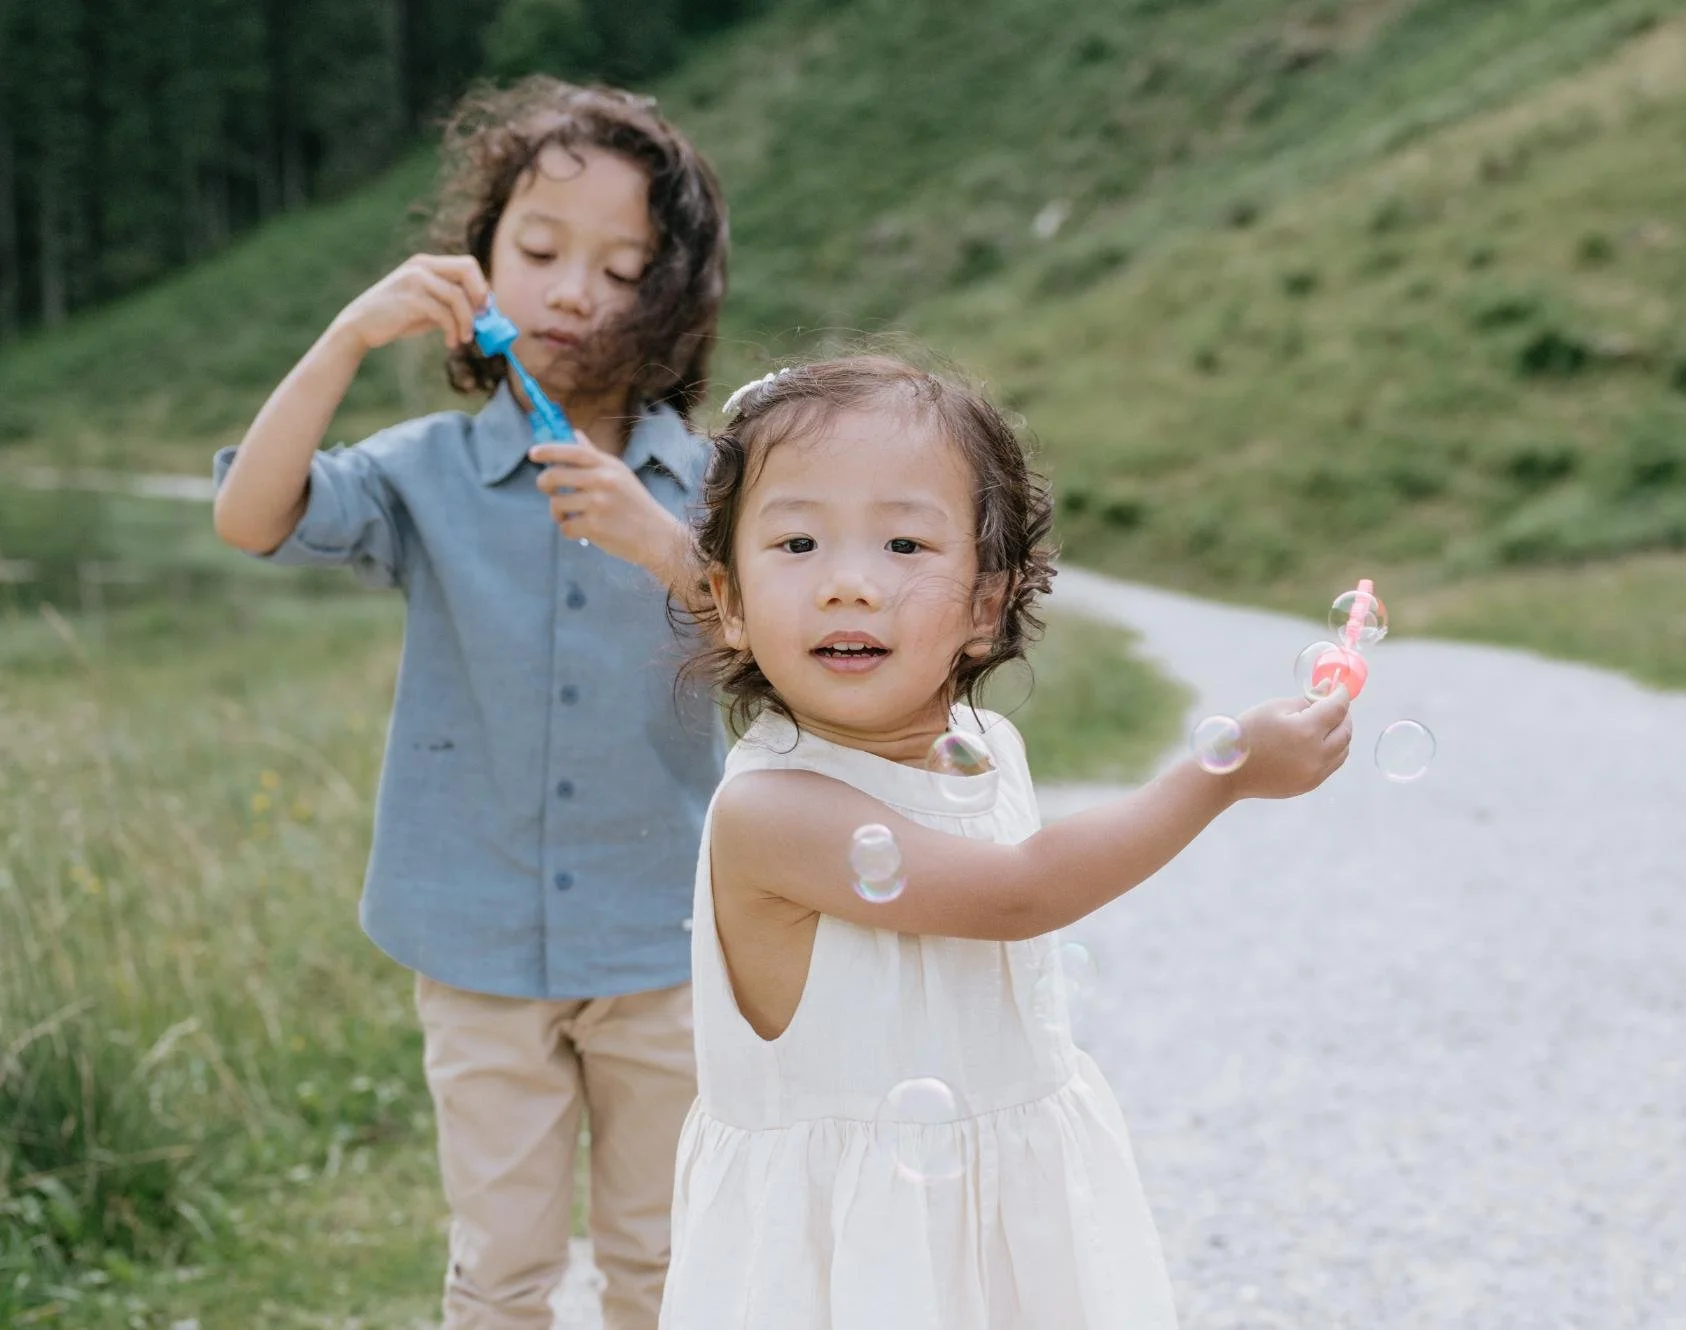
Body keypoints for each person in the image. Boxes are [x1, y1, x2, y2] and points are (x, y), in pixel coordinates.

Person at [659, 354, 1353, 1329]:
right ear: (727, 599)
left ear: (986, 606)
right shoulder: (773, 811)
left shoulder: (987, 749)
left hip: (1004, 1220)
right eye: (799, 541)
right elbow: (1018, 892)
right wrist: (1223, 772)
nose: (849, 584)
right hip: (854, 1263)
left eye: (903, 543)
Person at [210, 76, 729, 1330]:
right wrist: (346, 337)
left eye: (620, 266)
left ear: (670, 295)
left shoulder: (712, 483)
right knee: (498, 1271)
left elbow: (782, 646)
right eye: (539, 251)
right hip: (475, 943)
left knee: (666, 1260)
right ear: (480, 263)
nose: (571, 291)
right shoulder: (424, 472)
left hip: (664, 940)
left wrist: (662, 546)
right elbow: (249, 516)